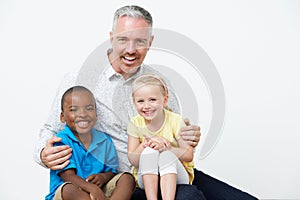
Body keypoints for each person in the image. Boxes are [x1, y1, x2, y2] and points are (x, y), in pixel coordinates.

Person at [34, 5, 257, 200]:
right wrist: (43, 154)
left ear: (150, 42)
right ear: (111, 38)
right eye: (123, 40)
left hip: (167, 167)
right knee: (190, 196)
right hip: (127, 181)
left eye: (139, 41)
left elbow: (176, 132)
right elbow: (50, 130)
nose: (131, 50)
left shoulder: (158, 81)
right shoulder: (79, 79)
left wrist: (187, 138)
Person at [45, 86, 135, 200]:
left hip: (100, 193)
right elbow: (68, 176)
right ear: (62, 117)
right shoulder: (61, 140)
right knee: (67, 189)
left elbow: (111, 170)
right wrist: (92, 189)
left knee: (127, 178)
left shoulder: (104, 140)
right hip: (72, 193)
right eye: (73, 109)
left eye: (89, 108)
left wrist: (102, 177)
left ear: (96, 115)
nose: (82, 114)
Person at [127, 74, 194, 200]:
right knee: (148, 151)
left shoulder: (176, 120)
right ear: (134, 103)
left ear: (165, 100)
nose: (146, 106)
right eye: (141, 101)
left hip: (177, 177)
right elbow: (133, 160)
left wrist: (167, 147)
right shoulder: (134, 123)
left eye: (152, 100)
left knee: (166, 155)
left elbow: (189, 155)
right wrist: (145, 144)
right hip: (146, 179)